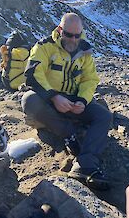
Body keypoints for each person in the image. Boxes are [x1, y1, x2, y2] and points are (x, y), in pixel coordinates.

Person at [21, 13, 112, 189]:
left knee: (104, 116)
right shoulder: (44, 47)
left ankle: (86, 165)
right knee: (29, 100)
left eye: (77, 35)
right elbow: (33, 74)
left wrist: (82, 101)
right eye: (69, 34)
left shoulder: (85, 51)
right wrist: (54, 97)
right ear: (60, 30)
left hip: (73, 100)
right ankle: (68, 134)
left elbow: (90, 79)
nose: (73, 39)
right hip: (49, 98)